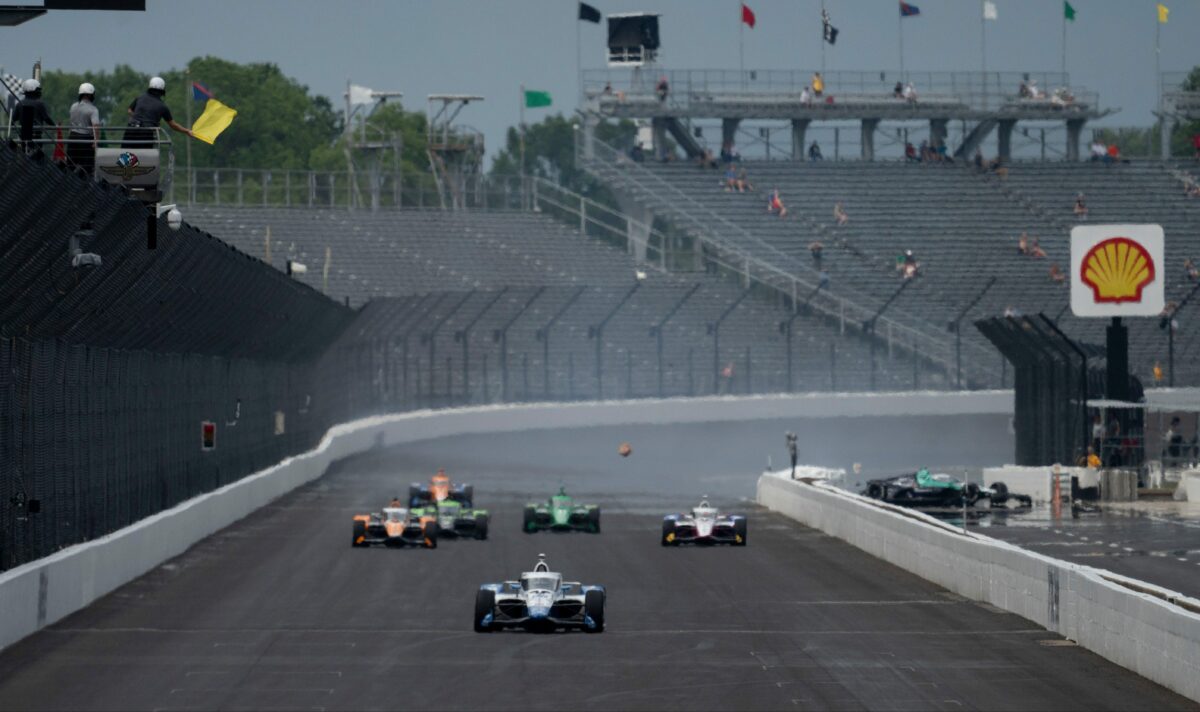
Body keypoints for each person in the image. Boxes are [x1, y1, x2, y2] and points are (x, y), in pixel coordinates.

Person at [124, 76, 193, 148]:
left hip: (131, 130)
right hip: (146, 134)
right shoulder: (162, 106)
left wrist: (137, 118)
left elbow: (129, 110)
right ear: (162, 90)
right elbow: (173, 125)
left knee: (126, 155)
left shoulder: (140, 98)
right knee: (144, 156)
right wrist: (187, 131)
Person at [67, 82, 101, 175]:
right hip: (85, 139)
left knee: (71, 165)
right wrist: (96, 141)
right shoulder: (93, 109)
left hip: (72, 138)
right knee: (86, 167)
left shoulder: (73, 106)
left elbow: (71, 122)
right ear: (91, 95)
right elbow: (96, 126)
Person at [14, 78, 54, 156]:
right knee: (37, 158)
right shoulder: (39, 104)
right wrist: (54, 126)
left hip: (23, 138)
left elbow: (13, 119)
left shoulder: (19, 104)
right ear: (33, 90)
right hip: (36, 137)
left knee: (24, 156)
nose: (40, 92)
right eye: (38, 90)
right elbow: (47, 118)